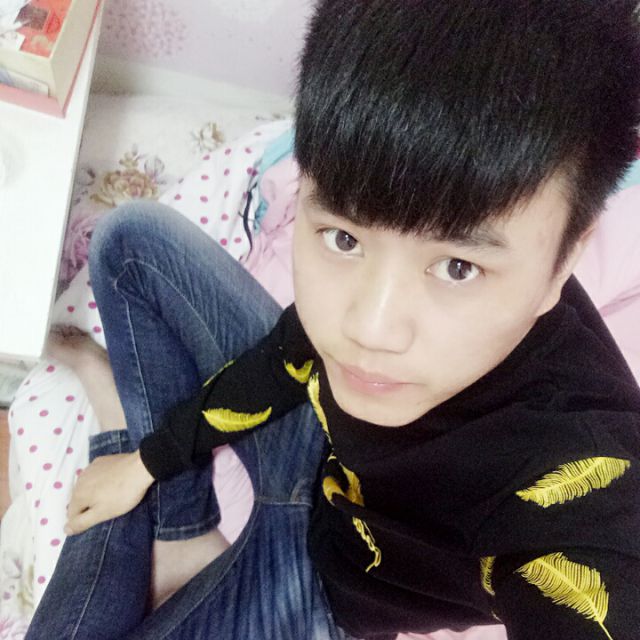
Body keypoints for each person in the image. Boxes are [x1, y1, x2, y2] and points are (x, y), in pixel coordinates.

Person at [25, 1, 640, 639]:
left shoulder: (582, 480)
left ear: (565, 260)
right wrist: (149, 463)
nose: (368, 330)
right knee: (129, 239)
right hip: (311, 443)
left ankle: (120, 427)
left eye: (458, 267)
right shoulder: (349, 325)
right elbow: (290, 353)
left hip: (322, 600)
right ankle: (182, 526)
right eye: (344, 238)